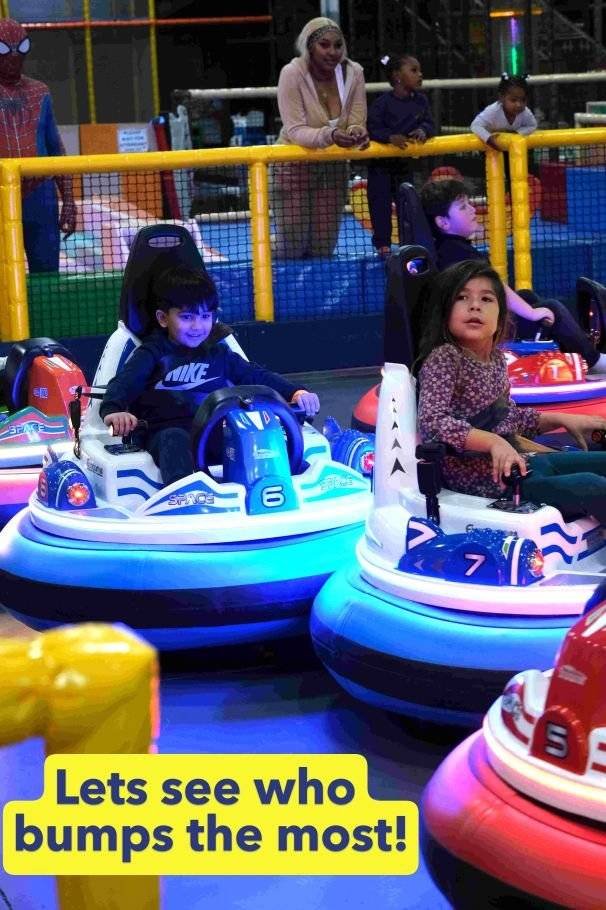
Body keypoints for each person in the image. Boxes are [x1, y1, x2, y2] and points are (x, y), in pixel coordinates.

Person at [416, 260, 606, 525]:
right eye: (462, 298)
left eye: (486, 299)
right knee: (591, 486)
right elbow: (433, 422)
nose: (474, 306)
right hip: (490, 482)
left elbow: (509, 418)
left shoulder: (495, 359)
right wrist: (492, 442)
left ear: (500, 315)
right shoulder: (445, 357)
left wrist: (563, 419)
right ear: (445, 311)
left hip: (522, 464)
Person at [100, 265, 320, 486]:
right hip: (164, 432)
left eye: (205, 316)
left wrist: (295, 392)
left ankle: (286, 481)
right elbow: (124, 382)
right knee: (174, 438)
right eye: (187, 317)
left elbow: (256, 376)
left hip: (212, 430)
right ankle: (187, 492)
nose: (197, 326)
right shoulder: (152, 353)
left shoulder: (219, 353)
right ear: (163, 318)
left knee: (255, 431)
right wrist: (114, 410)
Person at [420, 177, 606, 374]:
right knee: (553, 309)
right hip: (481, 327)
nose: (473, 210)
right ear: (443, 222)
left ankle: (572, 353)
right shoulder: (457, 253)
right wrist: (532, 313)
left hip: (480, 320)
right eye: (463, 207)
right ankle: (593, 360)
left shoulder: (450, 248)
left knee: (527, 296)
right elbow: (496, 288)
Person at [271, 16, 369, 259]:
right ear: (309, 46)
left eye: (338, 45)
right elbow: (295, 130)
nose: (332, 52)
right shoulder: (292, 73)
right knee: (291, 248)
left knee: (322, 249)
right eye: (324, 45)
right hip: (293, 168)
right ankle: (263, 265)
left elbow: (356, 119)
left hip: (334, 167)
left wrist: (356, 131)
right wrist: (331, 135)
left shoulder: (354, 72)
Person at [0, 18, 76, 273]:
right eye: (5, 50)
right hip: (3, 194)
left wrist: (69, 200)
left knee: (47, 276)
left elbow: (56, 148)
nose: (13, 57)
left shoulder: (39, 92)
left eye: (20, 49)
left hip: (39, 196)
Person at [367, 52, 435, 256]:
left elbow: (430, 123)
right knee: (380, 206)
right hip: (380, 167)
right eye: (414, 70)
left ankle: (409, 245)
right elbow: (372, 129)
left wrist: (423, 130)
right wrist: (389, 137)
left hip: (404, 166)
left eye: (420, 70)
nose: (420, 74)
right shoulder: (382, 103)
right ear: (397, 75)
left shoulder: (421, 101)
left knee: (408, 206)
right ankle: (383, 245)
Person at [470, 73, 537, 150]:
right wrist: (488, 138)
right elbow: (475, 125)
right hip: (490, 149)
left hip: (513, 148)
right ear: (501, 98)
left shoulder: (525, 112)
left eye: (523, 100)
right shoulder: (493, 111)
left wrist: (516, 133)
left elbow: (532, 125)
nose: (519, 105)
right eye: (513, 100)